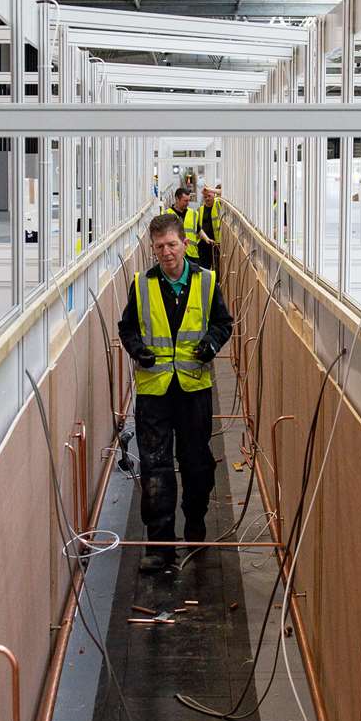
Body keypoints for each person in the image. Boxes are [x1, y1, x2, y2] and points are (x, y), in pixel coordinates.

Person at [118, 213, 234, 578]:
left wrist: (210, 345)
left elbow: (223, 323)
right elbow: (128, 328)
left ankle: (195, 523)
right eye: (158, 248)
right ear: (152, 249)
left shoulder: (206, 282)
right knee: (156, 469)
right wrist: (139, 350)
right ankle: (159, 545)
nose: (166, 253)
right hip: (154, 392)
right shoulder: (142, 284)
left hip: (193, 389)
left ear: (184, 242)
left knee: (197, 465)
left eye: (171, 245)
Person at [197, 185, 221, 270]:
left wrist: (210, 189)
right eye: (205, 197)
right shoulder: (200, 210)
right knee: (203, 268)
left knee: (217, 269)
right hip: (204, 244)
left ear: (214, 195)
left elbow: (224, 193)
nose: (207, 198)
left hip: (216, 244)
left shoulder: (218, 204)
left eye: (209, 196)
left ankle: (216, 283)